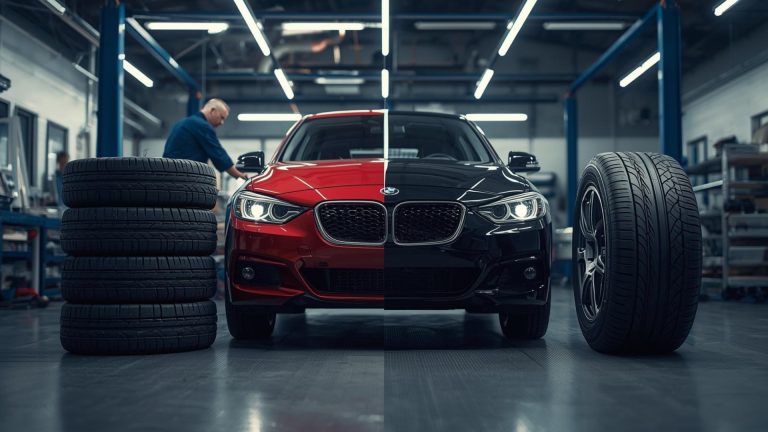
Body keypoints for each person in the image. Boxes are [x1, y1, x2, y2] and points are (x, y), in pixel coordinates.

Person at [163, 98, 248, 179]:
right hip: (183, 176)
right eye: (222, 117)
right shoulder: (202, 125)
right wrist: (240, 175)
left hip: (167, 174)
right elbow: (219, 155)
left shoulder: (183, 122)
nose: (222, 123)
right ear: (212, 111)